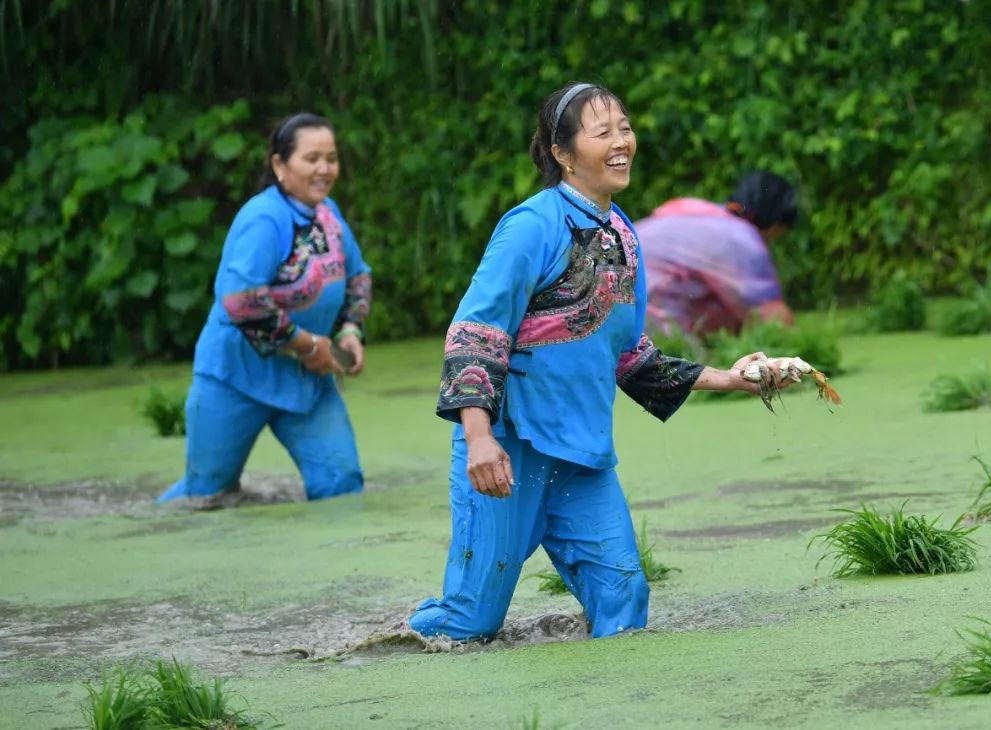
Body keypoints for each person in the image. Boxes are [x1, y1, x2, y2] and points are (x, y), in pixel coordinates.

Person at [408, 83, 795, 642]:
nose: (622, 143)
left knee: (625, 599)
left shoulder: (624, 236)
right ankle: (396, 639)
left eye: (625, 128)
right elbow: (477, 331)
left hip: (581, 460)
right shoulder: (530, 227)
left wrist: (732, 379)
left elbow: (629, 354)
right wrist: (478, 438)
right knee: (469, 625)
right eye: (603, 133)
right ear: (563, 153)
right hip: (509, 451)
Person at [158, 113, 371, 503]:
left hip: (307, 384)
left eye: (332, 157)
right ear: (279, 164)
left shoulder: (329, 215)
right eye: (312, 158)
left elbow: (358, 277)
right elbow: (243, 303)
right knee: (205, 497)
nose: (324, 169)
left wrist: (350, 331)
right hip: (235, 377)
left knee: (342, 485)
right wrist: (308, 345)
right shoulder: (263, 219)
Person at [634, 171, 798, 337]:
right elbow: (773, 318)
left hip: (613, 302)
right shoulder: (741, 238)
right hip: (646, 322)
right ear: (775, 224)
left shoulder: (700, 213)